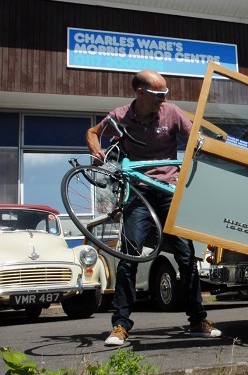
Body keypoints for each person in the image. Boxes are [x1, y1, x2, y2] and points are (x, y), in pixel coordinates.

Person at [85, 69, 222, 346]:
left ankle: (198, 320)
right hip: (138, 194)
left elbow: (195, 135)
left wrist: (212, 147)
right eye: (159, 94)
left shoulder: (171, 113)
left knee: (186, 257)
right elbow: (92, 132)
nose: (164, 98)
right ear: (140, 92)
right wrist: (95, 149)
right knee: (129, 258)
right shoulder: (120, 115)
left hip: (168, 192)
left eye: (166, 94)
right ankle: (120, 326)